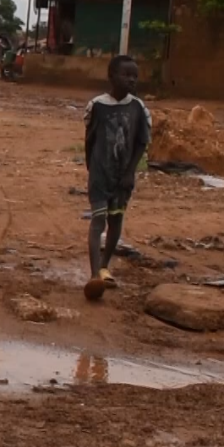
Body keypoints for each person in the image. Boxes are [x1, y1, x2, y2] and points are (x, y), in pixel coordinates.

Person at [82, 55, 151, 301]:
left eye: (135, 76)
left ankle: (104, 265)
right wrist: (93, 169)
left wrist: (130, 172)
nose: (131, 79)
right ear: (111, 76)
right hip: (101, 175)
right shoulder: (97, 106)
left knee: (116, 220)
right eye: (126, 75)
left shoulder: (138, 108)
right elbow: (89, 141)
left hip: (123, 177)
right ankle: (94, 274)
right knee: (98, 222)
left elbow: (141, 142)